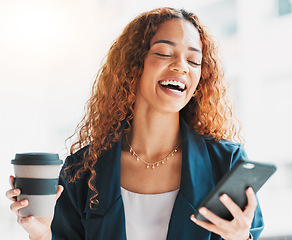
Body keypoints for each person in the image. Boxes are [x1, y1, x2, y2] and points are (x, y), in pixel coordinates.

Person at [6, 7, 264, 240]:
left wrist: (241, 239)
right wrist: (40, 235)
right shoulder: (82, 171)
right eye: (164, 53)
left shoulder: (227, 163)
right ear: (133, 65)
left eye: (194, 61)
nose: (182, 67)